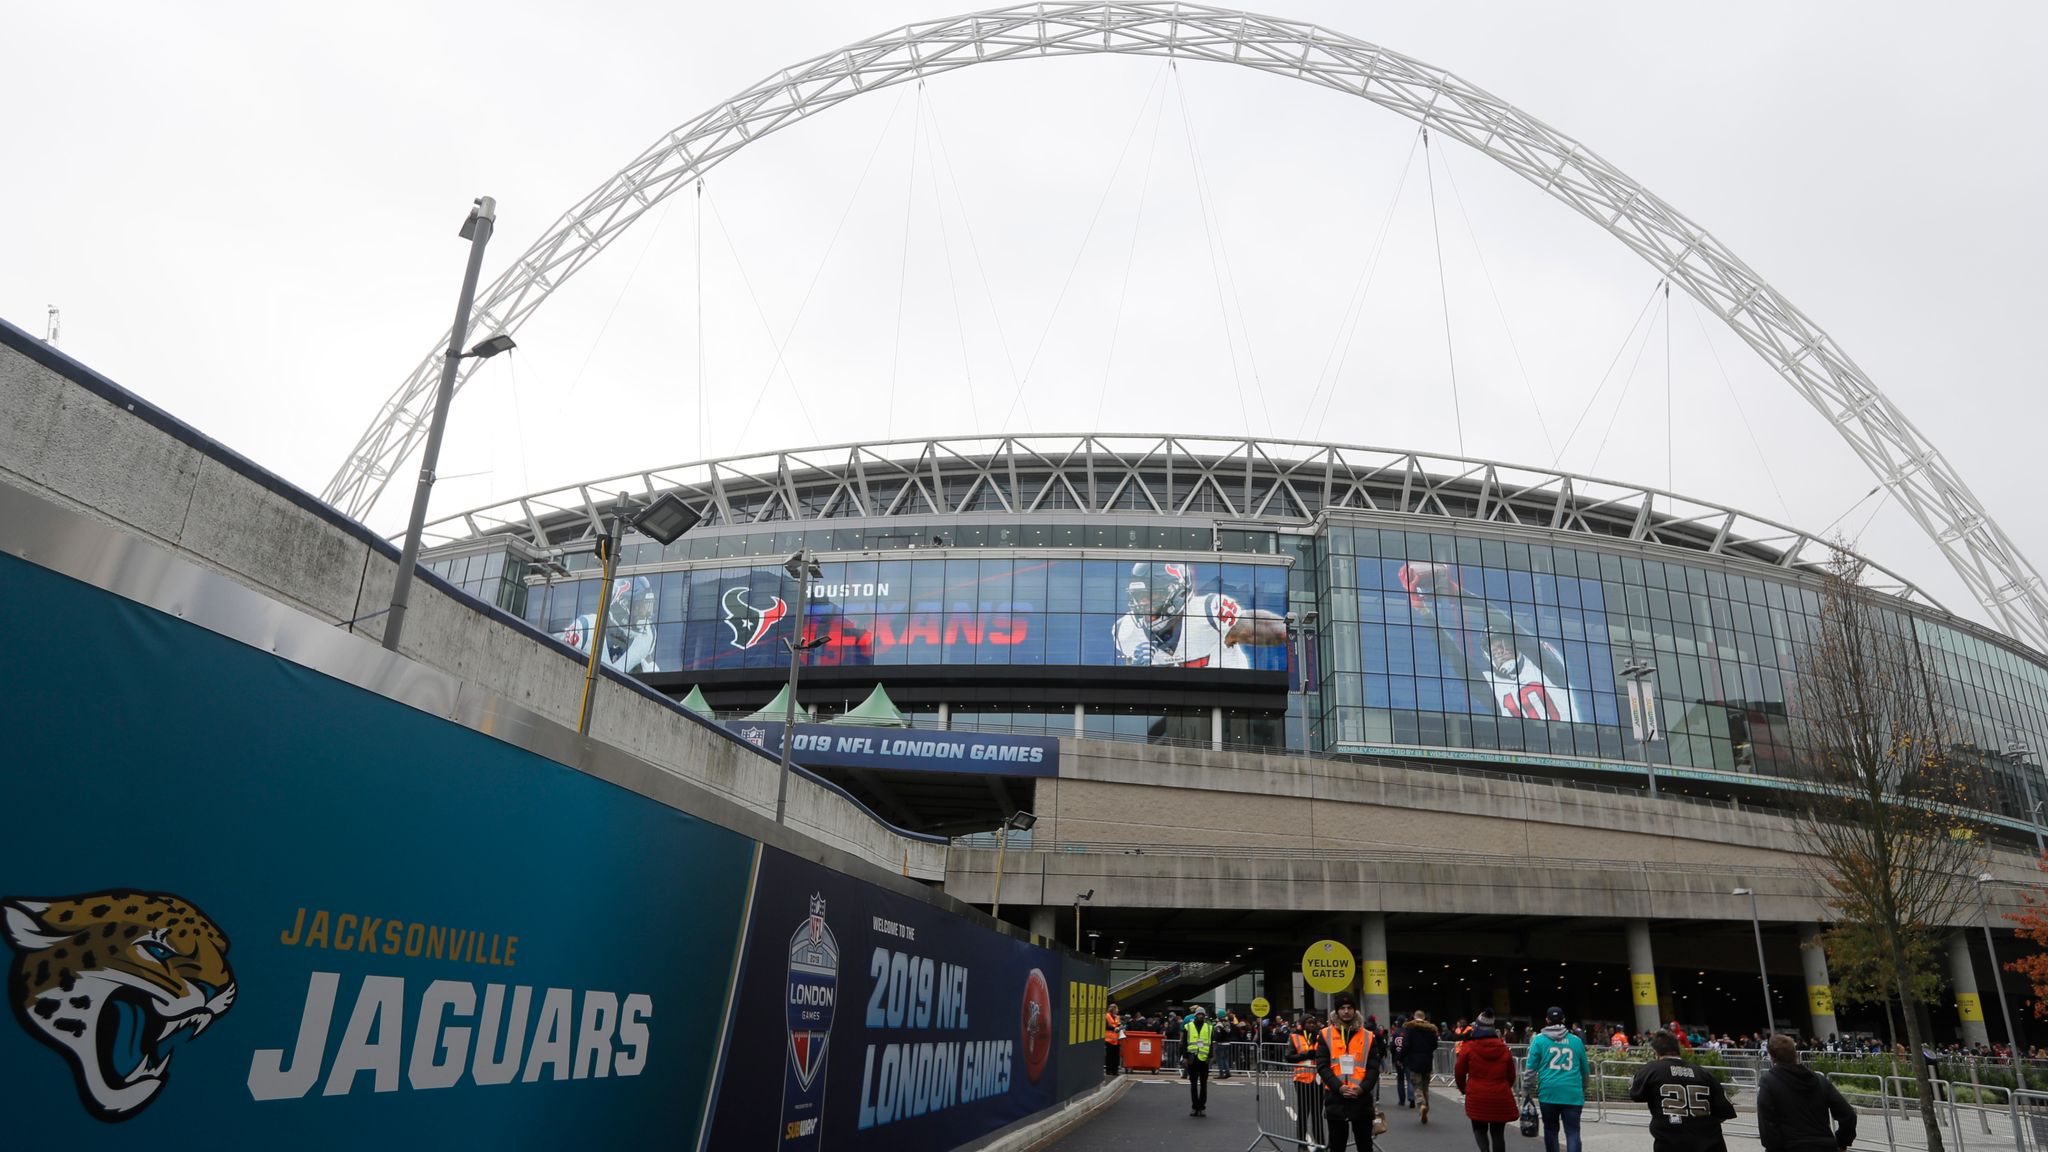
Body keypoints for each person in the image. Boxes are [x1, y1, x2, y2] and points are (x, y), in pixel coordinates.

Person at [1112, 561, 1288, 668]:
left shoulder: (1208, 613)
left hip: (1229, 704)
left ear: (1178, 593)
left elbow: (1266, 629)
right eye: (1138, 596)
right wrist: (1137, 669)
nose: (1143, 603)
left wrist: (1289, 632)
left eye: (1152, 595)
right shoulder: (1126, 632)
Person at [1630, 1029, 1736, 1152]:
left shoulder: (1651, 1070)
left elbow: (1635, 1094)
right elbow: (1725, 1111)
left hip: (1670, 1145)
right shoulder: (1704, 1073)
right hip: (1710, 1144)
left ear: (1656, 1052)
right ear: (1679, 1049)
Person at [1756, 1034, 1857, 1152]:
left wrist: (1775, 1147)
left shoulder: (1768, 1082)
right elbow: (1848, 1115)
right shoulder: (1819, 1080)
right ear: (1796, 1053)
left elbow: (1767, 1124)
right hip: (1824, 1145)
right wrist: (1842, 1142)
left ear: (1772, 1057)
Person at [1316, 994, 1380, 1152]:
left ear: (1354, 1010)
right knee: (1337, 1146)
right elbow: (1322, 1065)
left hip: (1361, 1097)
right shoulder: (1325, 1034)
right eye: (1342, 1008)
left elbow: (1373, 1067)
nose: (1346, 1011)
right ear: (1337, 1011)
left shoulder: (1368, 1036)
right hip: (1336, 1096)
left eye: (1349, 1008)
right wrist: (1339, 1087)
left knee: (1365, 1145)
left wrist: (1362, 1088)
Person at [1527, 1006, 1590, 1152]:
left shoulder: (1539, 1040)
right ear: (1563, 1020)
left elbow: (1531, 1069)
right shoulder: (1575, 1041)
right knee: (1573, 1132)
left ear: (1547, 1020)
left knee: (1550, 1130)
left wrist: (1526, 1089)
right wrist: (1583, 1088)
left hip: (1548, 1093)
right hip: (1572, 1093)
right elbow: (1585, 1070)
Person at [1457, 1010, 1520, 1152]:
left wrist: (1463, 1089)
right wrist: (1504, 1086)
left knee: (1479, 1129)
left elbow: (1459, 1071)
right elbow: (1511, 1074)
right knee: (1498, 1134)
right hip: (1500, 1095)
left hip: (1477, 1094)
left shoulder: (1469, 1047)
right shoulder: (1504, 1049)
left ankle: (1484, 1150)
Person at [1290, 1013, 1326, 1149]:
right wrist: (1305, 1055)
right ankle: (1302, 1144)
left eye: (1313, 1023)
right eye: (1308, 1023)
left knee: (1317, 1113)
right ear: (1303, 1024)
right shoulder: (1294, 1037)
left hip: (1317, 1081)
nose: (1311, 1025)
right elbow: (1289, 1057)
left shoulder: (1320, 1037)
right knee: (1304, 1113)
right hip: (1301, 1081)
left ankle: (1321, 1143)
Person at [1403, 1008, 1441, 1123]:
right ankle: (1426, 1107)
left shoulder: (1410, 1029)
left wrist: (1401, 1057)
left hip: (1414, 1061)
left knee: (1417, 1086)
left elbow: (1406, 1045)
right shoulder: (1431, 1030)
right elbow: (1435, 1045)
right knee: (1425, 1087)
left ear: (1414, 1017)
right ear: (1424, 1018)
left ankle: (1421, 1104)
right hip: (1427, 1061)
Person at [1184, 1004, 1216, 1116]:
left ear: (1205, 1016)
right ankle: (1194, 1107)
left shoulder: (1209, 1027)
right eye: (1199, 1014)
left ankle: (1202, 1107)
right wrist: (1185, 1057)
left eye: (1202, 1014)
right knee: (1193, 1084)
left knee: (1203, 1084)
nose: (1201, 1016)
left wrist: (1210, 1057)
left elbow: (1211, 1043)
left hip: (1204, 1059)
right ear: (1195, 1015)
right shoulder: (1188, 1026)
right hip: (1192, 1059)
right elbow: (1184, 1043)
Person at [1391, 1013, 1412, 1108]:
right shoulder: (1408, 1032)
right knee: (1409, 1079)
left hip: (1398, 1058)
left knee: (1400, 1080)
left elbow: (1392, 1047)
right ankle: (1411, 1098)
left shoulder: (1395, 1033)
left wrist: (1394, 1057)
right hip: (1408, 1058)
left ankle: (1402, 1100)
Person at [1105, 1001, 1123, 1077]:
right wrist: (1114, 1028)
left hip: (1116, 1039)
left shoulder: (1117, 1017)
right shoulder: (1107, 1016)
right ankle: (1109, 1070)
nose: (1117, 1010)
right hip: (1109, 1039)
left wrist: (1120, 1027)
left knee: (1116, 1056)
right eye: (1116, 1009)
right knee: (1109, 1056)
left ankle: (1115, 1071)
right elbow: (1106, 1026)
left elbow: (1119, 1024)